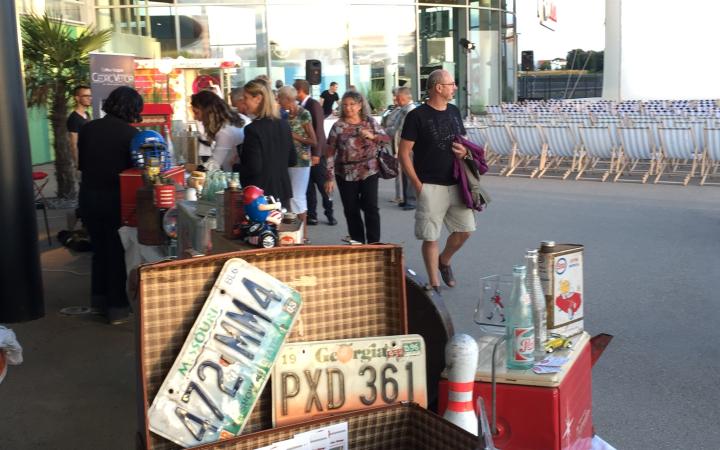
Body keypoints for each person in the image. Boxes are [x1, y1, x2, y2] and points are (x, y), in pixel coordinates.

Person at [399, 69, 473, 294]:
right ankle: (434, 283)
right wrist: (417, 185)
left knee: (465, 230)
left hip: (456, 182)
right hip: (429, 184)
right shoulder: (416, 116)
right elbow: (403, 154)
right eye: (451, 84)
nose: (455, 88)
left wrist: (464, 152)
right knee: (431, 236)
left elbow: (463, 143)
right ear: (438, 87)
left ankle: (445, 260)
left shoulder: (453, 111)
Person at [77, 86, 143, 325]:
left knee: (99, 250)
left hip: (88, 197)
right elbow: (136, 171)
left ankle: (99, 301)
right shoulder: (131, 135)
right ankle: (117, 308)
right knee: (116, 251)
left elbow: (82, 165)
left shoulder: (88, 129)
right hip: (116, 199)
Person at [325, 91, 389, 244]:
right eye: (345, 105)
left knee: (371, 208)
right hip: (345, 174)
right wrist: (329, 177)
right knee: (351, 210)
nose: (348, 108)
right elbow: (329, 152)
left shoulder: (370, 122)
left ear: (360, 105)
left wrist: (373, 136)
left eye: (352, 104)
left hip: (369, 170)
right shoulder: (338, 126)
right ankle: (358, 242)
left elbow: (386, 139)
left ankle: (375, 244)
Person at [240, 79, 297, 207]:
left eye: (246, 97)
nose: (244, 102)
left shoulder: (252, 130)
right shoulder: (284, 125)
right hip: (283, 193)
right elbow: (292, 160)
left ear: (258, 98)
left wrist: (237, 165)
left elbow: (253, 167)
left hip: (260, 197)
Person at [293, 79, 337, 226]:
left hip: (316, 152)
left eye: (294, 90)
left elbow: (318, 129)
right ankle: (312, 215)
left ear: (300, 90)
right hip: (305, 154)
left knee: (322, 184)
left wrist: (317, 153)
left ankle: (329, 213)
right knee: (308, 186)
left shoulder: (314, 105)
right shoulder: (301, 106)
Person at [277, 85, 317, 236]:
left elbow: (313, 140)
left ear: (288, 99)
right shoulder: (284, 115)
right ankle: (292, 234)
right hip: (287, 160)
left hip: (301, 161)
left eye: (280, 98)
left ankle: (303, 234)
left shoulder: (303, 114)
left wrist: (294, 136)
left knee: (297, 197)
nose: (278, 101)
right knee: (288, 197)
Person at [190, 90, 245, 172]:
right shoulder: (238, 119)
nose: (195, 117)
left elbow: (212, 166)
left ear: (207, 111)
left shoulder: (224, 131)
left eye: (197, 112)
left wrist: (187, 167)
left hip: (236, 177)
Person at [383, 86, 417, 210]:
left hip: (409, 146)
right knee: (404, 173)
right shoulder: (403, 110)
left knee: (409, 173)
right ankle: (407, 198)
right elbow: (395, 128)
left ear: (405, 97)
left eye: (398, 98)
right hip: (402, 145)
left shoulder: (410, 111)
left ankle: (411, 201)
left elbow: (400, 130)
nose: (396, 100)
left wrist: (383, 133)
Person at [67, 85, 92, 169]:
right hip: (83, 161)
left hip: (90, 157)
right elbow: (73, 144)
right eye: (86, 96)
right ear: (77, 98)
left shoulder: (87, 114)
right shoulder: (73, 118)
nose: (89, 98)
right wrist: (77, 164)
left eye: (90, 96)